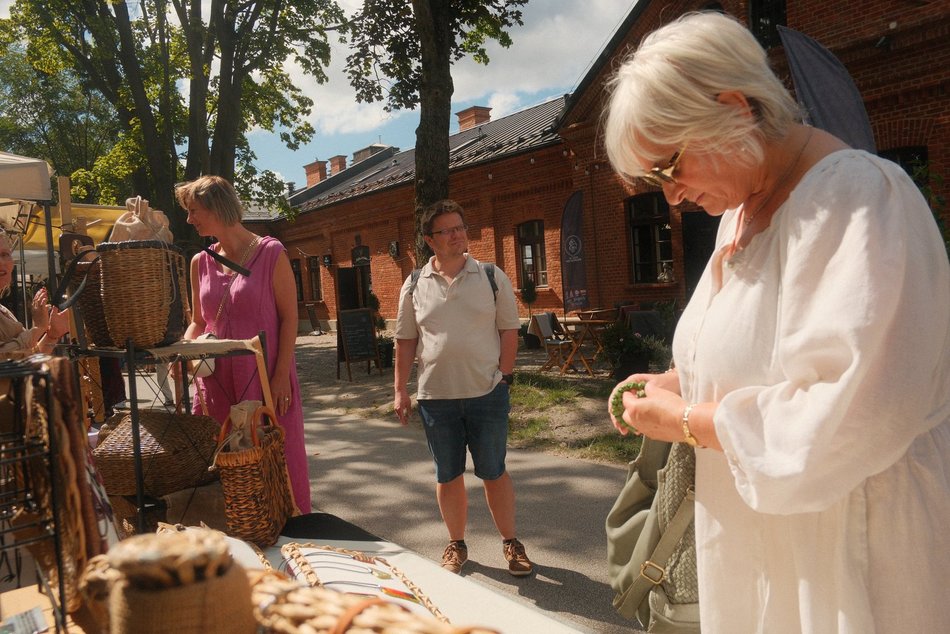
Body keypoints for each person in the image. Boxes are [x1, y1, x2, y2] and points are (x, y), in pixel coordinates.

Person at [602, 12, 949, 633]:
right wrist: (679, 380)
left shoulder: (857, 198)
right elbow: (748, 351)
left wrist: (685, 422)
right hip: (759, 544)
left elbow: (847, 416)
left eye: (670, 166)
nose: (672, 195)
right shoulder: (740, 216)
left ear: (734, 107)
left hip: (843, 553)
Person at [393, 200, 532, 577]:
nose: (457, 235)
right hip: (436, 398)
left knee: (493, 471)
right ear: (429, 240)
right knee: (448, 474)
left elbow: (509, 329)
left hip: (487, 393)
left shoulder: (489, 275)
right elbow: (405, 339)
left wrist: (504, 375)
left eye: (460, 227)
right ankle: (456, 543)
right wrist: (400, 390)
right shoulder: (414, 284)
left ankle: (510, 542)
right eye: (447, 230)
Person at [175, 176, 311, 514]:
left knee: (275, 457)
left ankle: (290, 528)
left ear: (217, 208)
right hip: (216, 381)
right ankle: (240, 536)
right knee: (226, 464)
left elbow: (289, 318)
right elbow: (199, 321)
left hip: (264, 378)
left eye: (194, 211)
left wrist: (281, 376)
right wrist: (181, 352)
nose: (189, 219)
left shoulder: (270, 252)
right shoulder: (200, 261)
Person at [0, 228, 69, 355]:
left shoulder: (4, 311)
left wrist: (52, 334)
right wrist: (38, 328)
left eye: (4, 254)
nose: (1, 262)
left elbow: (27, 358)